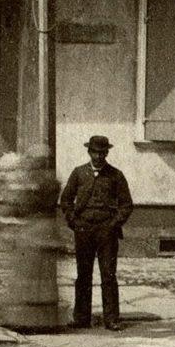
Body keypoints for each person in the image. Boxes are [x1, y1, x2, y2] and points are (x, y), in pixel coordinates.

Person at [58, 135, 133, 330]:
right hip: (83, 230)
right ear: (89, 152)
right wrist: (73, 221)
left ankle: (111, 319)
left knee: (108, 274)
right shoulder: (79, 173)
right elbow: (65, 200)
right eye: (95, 152)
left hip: (106, 232)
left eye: (102, 152)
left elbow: (126, 205)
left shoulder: (115, 175)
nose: (98, 156)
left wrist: (113, 224)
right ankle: (82, 317)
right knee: (84, 274)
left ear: (107, 152)